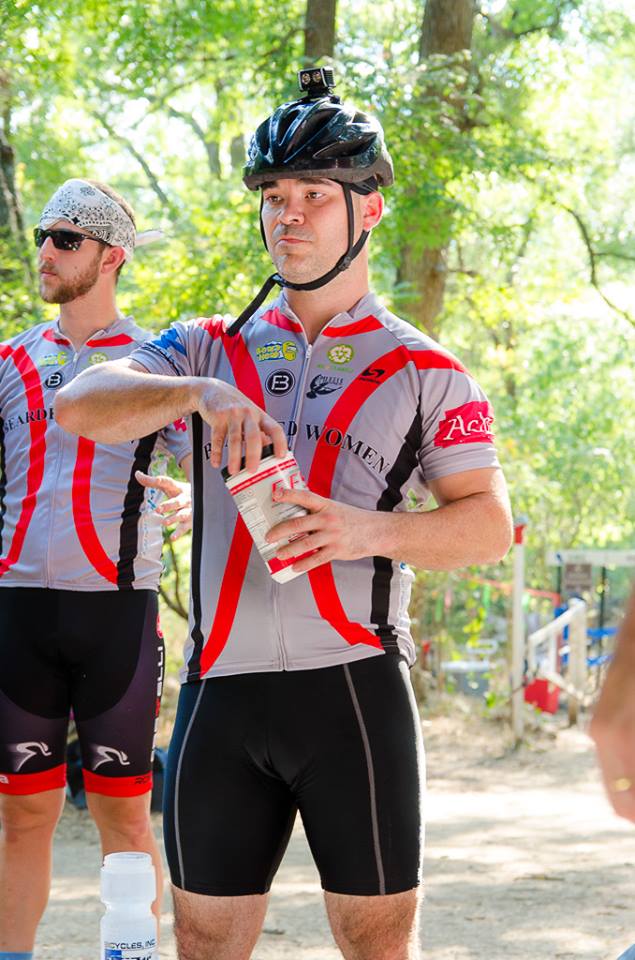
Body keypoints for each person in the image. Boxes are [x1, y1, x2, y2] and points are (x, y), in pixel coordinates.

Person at [55, 68, 513, 960]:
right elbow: (79, 404)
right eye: (273, 196)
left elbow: (487, 526)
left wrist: (361, 530)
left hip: (353, 689)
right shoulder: (205, 346)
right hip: (220, 691)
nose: (288, 216)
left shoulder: (426, 370)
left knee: (376, 944)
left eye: (313, 195)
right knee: (201, 941)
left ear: (368, 209)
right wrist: (198, 392)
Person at [0, 178, 192, 959]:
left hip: (117, 614)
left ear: (112, 256)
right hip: (18, 613)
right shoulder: (12, 358)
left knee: (124, 817)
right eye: (43, 236)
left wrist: (197, 498)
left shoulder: (155, 363)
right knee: (23, 816)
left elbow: (213, 469)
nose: (46, 251)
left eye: (66, 238)